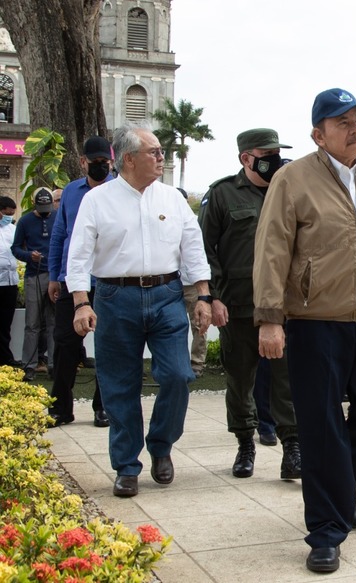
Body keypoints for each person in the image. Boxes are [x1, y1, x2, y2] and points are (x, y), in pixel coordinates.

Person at [253, 88, 356, 574]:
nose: (355, 128)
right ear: (318, 135)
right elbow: (272, 249)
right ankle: (325, 532)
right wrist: (270, 318)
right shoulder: (292, 179)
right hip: (314, 321)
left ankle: (339, 492)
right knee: (321, 428)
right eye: (342, 122)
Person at [66, 121, 211, 498]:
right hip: (115, 298)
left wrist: (204, 296)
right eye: (154, 152)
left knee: (178, 375)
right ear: (129, 159)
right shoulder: (97, 200)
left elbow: (193, 247)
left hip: (166, 295)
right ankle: (126, 466)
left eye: (162, 151)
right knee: (119, 385)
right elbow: (78, 255)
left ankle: (161, 445)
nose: (162, 157)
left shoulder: (172, 199)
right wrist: (81, 302)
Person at [199, 128, 300, 480]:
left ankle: (292, 448)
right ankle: (245, 444)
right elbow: (205, 250)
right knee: (241, 380)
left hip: (285, 306)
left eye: (276, 154)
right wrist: (212, 297)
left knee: (287, 380)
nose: (274, 160)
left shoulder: (288, 190)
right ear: (246, 158)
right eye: (266, 155)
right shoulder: (222, 194)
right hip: (238, 305)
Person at [48, 136, 113, 428]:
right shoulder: (72, 192)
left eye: (105, 162)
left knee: (107, 346)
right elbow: (60, 235)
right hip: (72, 281)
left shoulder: (119, 190)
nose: (101, 167)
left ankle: (103, 407)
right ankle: (61, 407)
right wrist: (54, 276)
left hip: (108, 281)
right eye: (95, 162)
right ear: (83, 162)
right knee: (65, 344)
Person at [11, 188, 57, 381]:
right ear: (34, 204)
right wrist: (29, 256)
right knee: (32, 323)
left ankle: (54, 365)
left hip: (55, 276)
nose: (45, 211)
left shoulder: (58, 217)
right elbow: (15, 248)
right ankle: (29, 365)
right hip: (34, 275)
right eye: (41, 207)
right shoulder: (25, 221)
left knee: (54, 322)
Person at [176, 187, 207, 378]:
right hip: (172, 282)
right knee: (173, 326)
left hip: (193, 284)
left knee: (198, 324)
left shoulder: (195, 222)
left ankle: (197, 363)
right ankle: (176, 363)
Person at [0, 196, 18, 368]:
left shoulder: (12, 229)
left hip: (10, 282)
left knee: (6, 323)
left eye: (12, 214)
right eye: (7, 214)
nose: (9, 217)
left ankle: (5, 358)